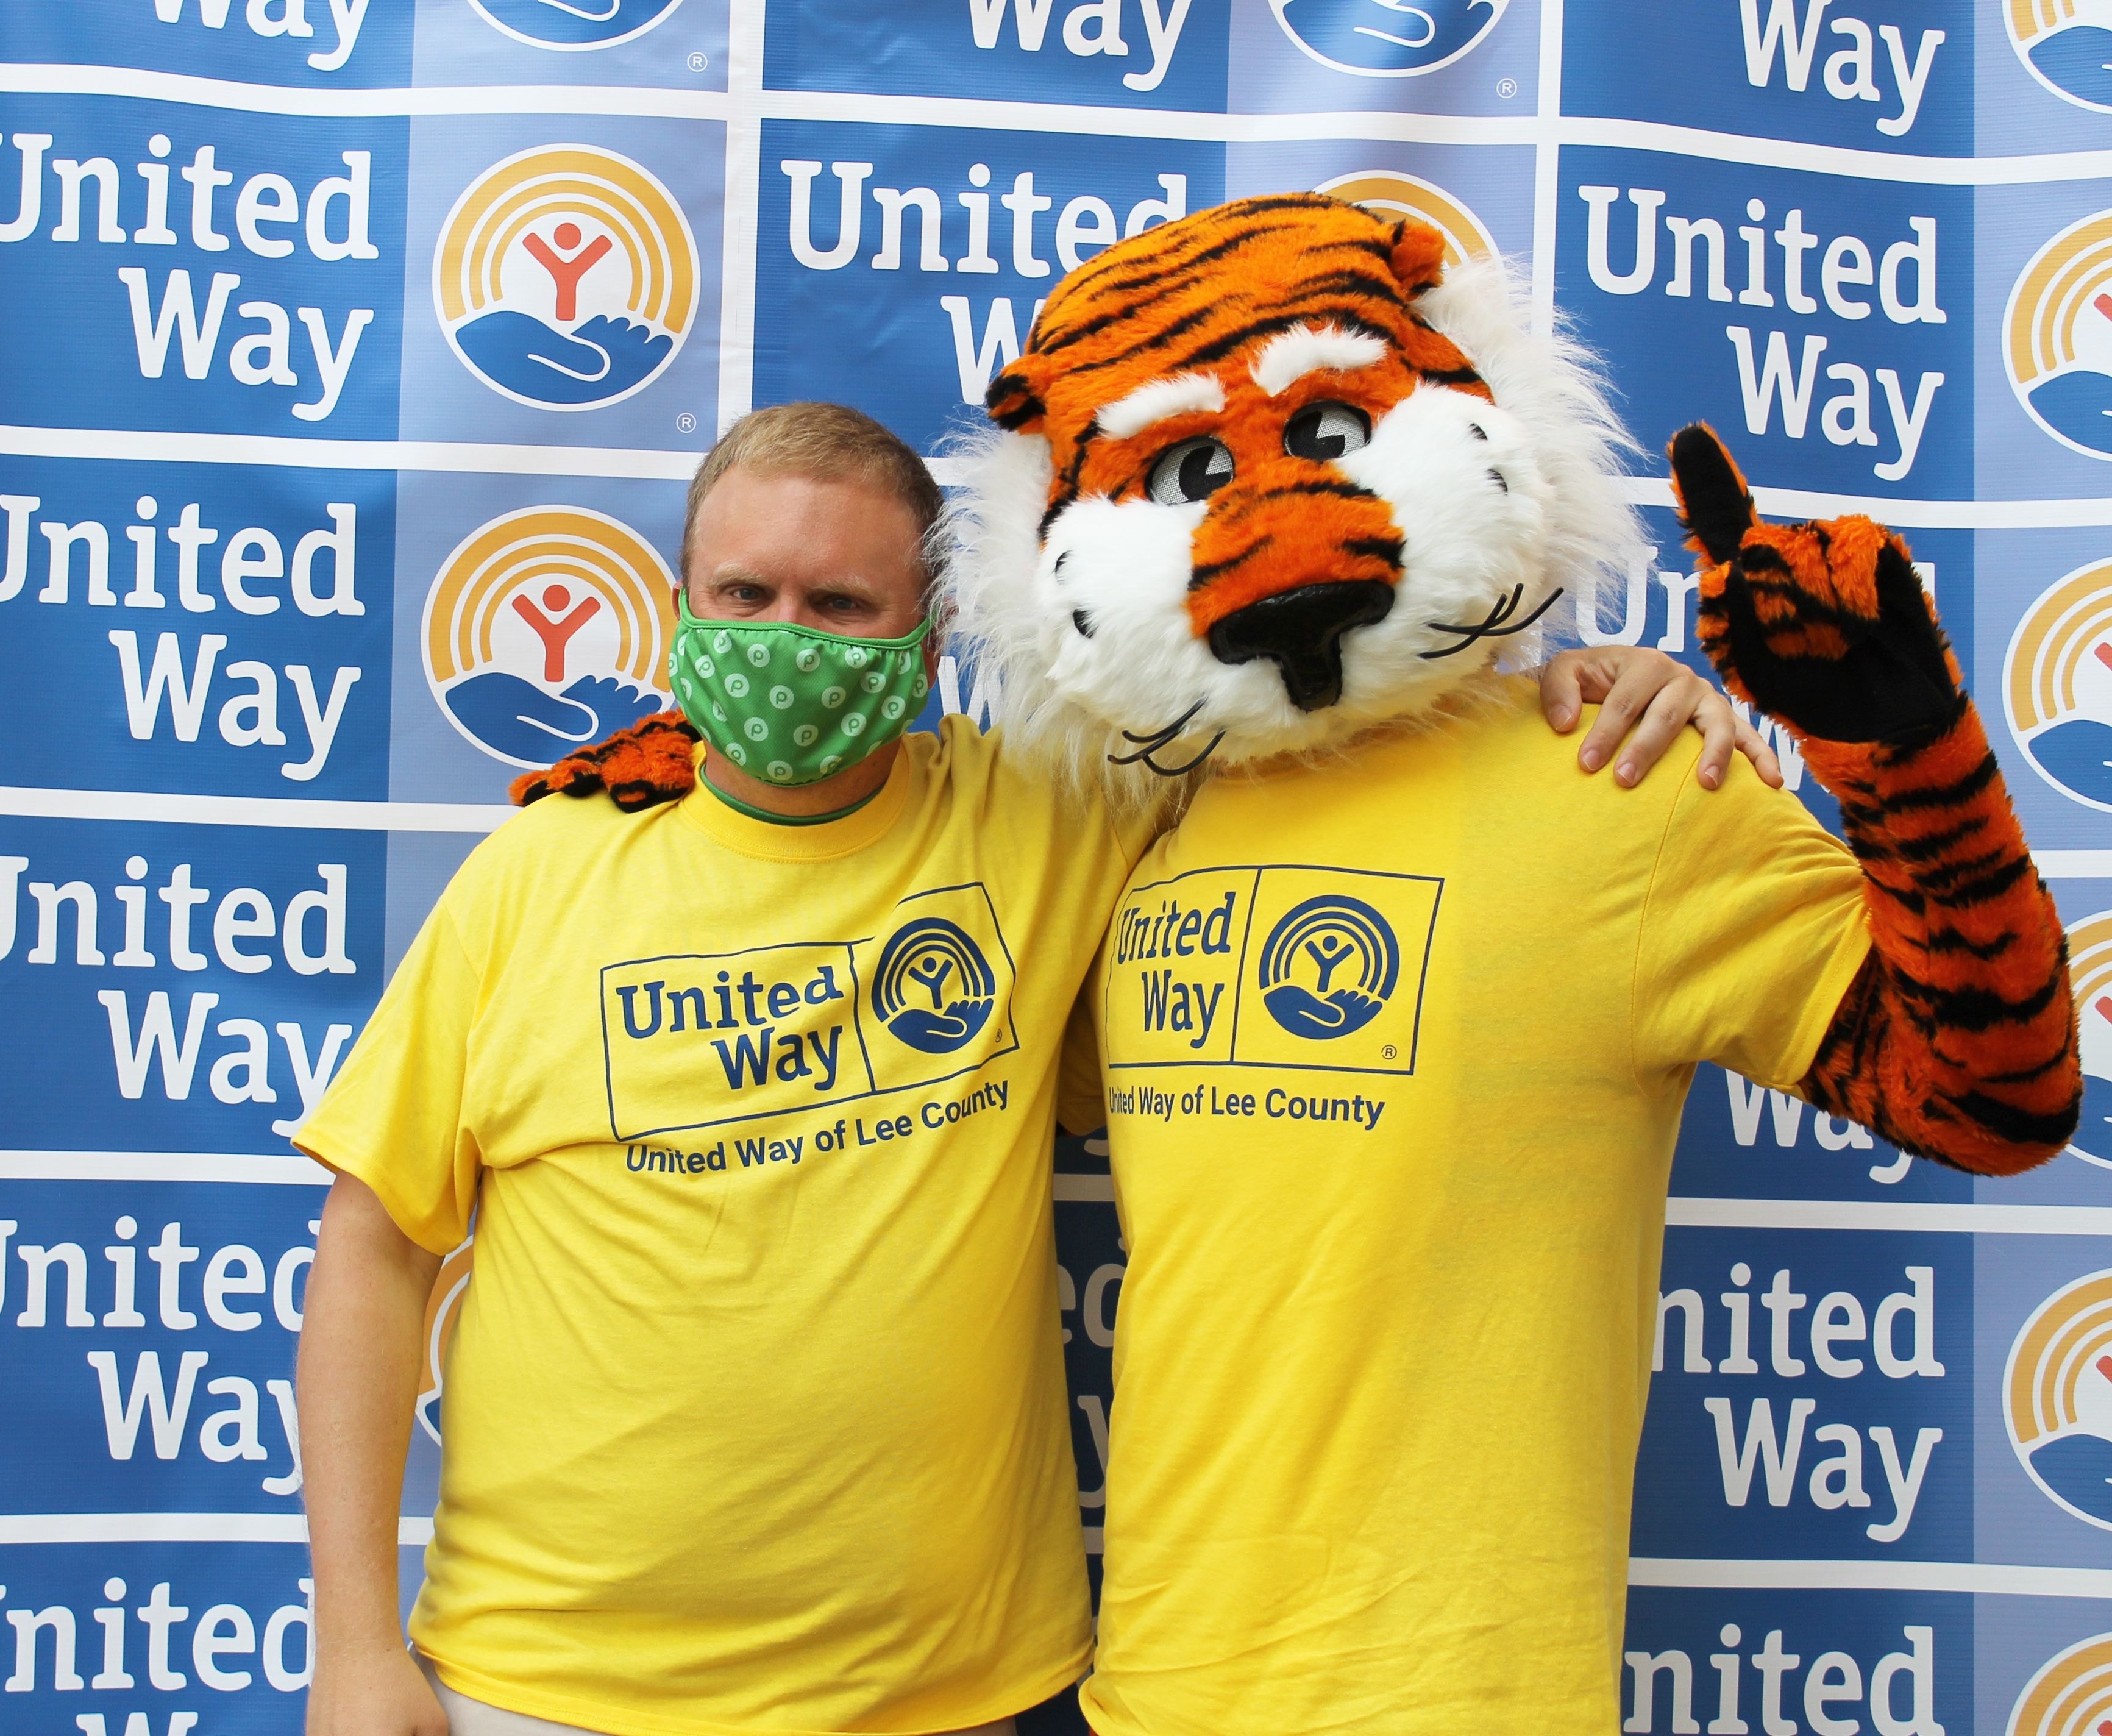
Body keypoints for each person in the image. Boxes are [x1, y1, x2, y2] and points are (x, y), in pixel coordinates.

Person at [291, 403, 1776, 1736]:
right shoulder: (537, 873)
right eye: (745, 594)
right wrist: (352, 1644)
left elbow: (1327, 739)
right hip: (545, 1686)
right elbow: (371, 1247)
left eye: (842, 603)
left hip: (941, 1696)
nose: (785, 632)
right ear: (684, 607)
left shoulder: (1052, 817)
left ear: (930, 639)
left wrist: (1562, 695)